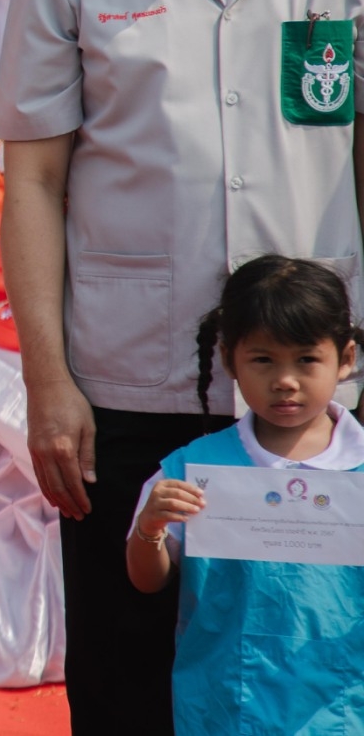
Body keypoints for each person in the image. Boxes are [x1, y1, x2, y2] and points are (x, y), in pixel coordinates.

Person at [0, 0, 364, 734]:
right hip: (124, 383)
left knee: (308, 666)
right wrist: (47, 381)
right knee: (125, 665)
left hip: (310, 385)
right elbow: (31, 183)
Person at [126, 256, 364, 733]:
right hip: (223, 706)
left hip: (343, 706)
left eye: (306, 359)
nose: (286, 380)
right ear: (228, 358)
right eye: (263, 360)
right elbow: (147, 581)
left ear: (346, 360)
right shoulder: (192, 469)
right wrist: (149, 529)